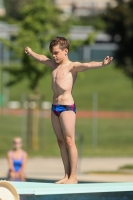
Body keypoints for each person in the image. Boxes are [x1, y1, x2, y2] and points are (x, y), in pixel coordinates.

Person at [25, 36, 113, 184]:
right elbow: (41, 58)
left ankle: (73, 177)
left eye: (56, 53)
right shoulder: (54, 65)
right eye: (52, 53)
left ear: (65, 51)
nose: (54, 56)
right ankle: (66, 175)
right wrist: (32, 52)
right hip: (54, 107)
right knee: (61, 142)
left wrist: (102, 64)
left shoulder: (72, 66)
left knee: (70, 141)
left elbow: (88, 65)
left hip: (66, 107)